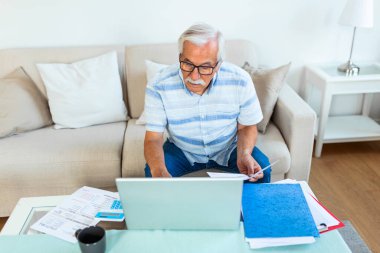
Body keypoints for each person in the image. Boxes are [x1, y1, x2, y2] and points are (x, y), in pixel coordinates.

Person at [143, 23, 271, 183]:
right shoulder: (158, 85)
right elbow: (153, 139)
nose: (194, 76)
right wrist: (159, 171)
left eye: (205, 67)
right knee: (153, 172)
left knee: (262, 169)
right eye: (187, 64)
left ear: (218, 64)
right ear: (180, 57)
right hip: (181, 150)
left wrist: (244, 154)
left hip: (229, 147)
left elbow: (246, 126)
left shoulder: (240, 80)